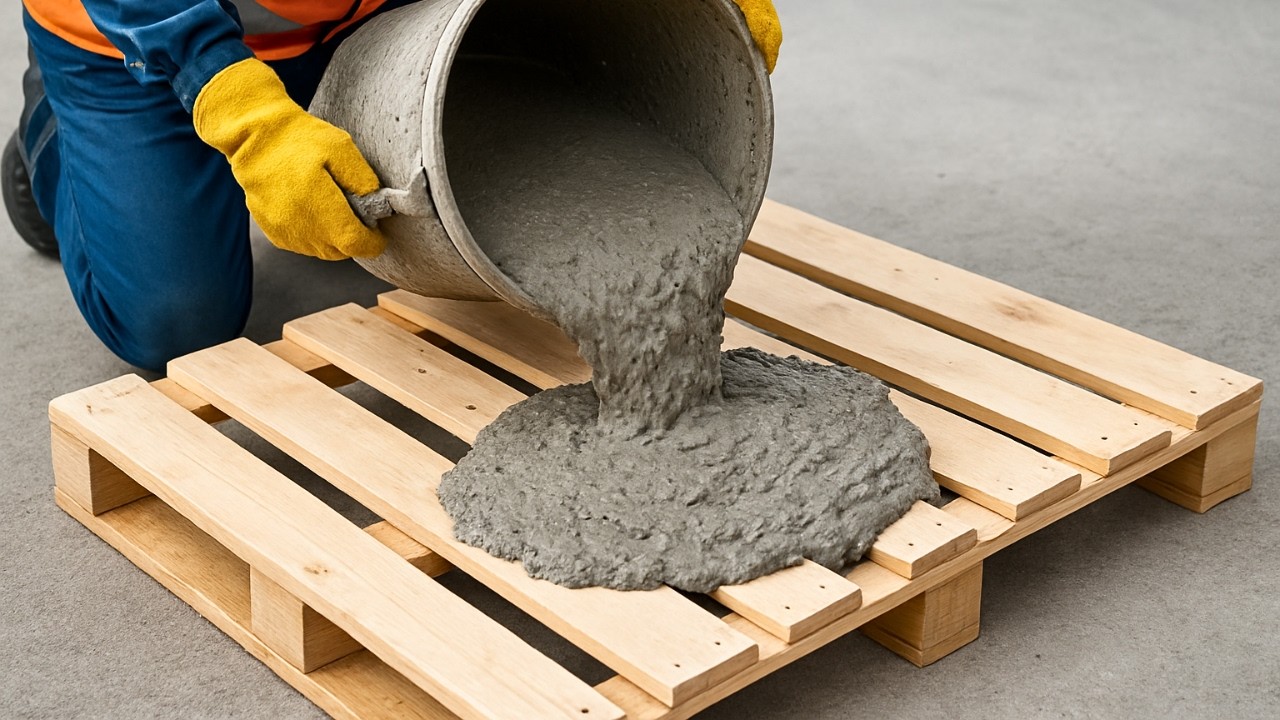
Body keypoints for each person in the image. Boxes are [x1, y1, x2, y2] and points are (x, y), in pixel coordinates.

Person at [3, 1, 782, 372]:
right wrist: (247, 117)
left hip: (348, 14)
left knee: (405, 196)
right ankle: (53, 132)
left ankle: (311, 89)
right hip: (134, 39)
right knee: (174, 326)